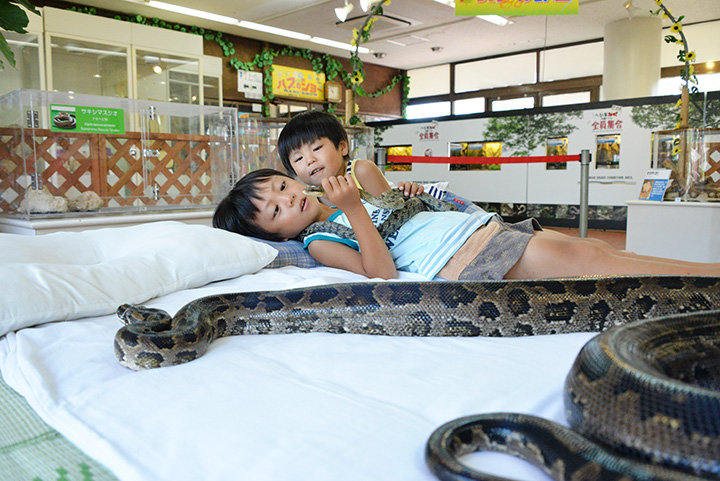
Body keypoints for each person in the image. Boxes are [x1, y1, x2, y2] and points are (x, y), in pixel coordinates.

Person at [213, 168, 720, 281]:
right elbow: (380, 273)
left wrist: (393, 194)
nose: (289, 200)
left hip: (487, 230)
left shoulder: (353, 192)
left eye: (281, 187)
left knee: (608, 253)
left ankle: (707, 268)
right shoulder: (322, 238)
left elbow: (396, 197)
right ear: (275, 236)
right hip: (466, 260)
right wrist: (358, 213)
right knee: (592, 262)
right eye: (274, 212)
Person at [277, 110, 461, 208]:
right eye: (298, 159)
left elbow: (389, 210)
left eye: (317, 148)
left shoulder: (361, 170)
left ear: (342, 147)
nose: (309, 160)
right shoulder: (309, 198)